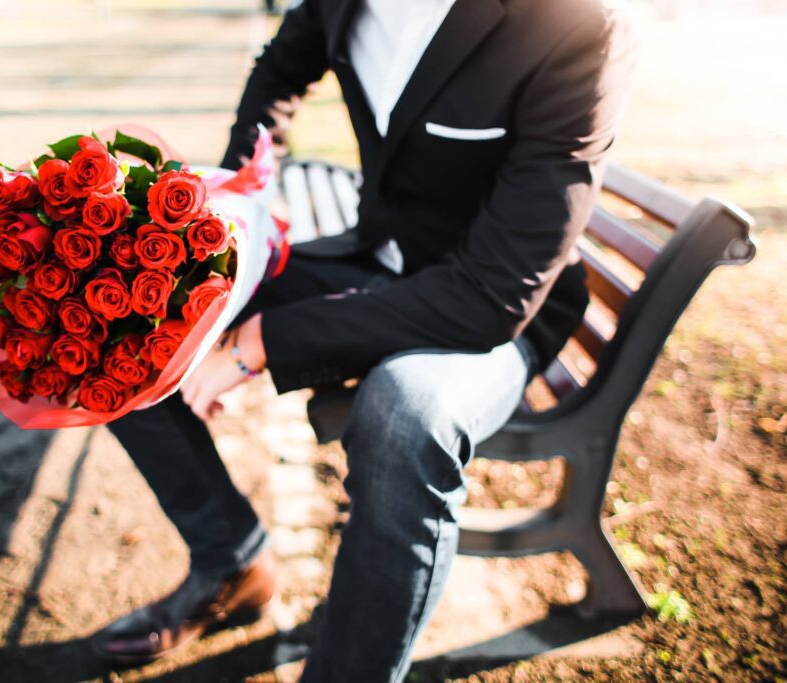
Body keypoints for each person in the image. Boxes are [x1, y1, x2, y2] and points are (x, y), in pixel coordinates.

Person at [92, 0, 636, 680]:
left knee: (406, 414)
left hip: (502, 303)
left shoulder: (578, 25)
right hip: (379, 253)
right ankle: (231, 561)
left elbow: (490, 297)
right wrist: (242, 191)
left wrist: (258, 339)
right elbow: (280, 68)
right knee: (122, 315)